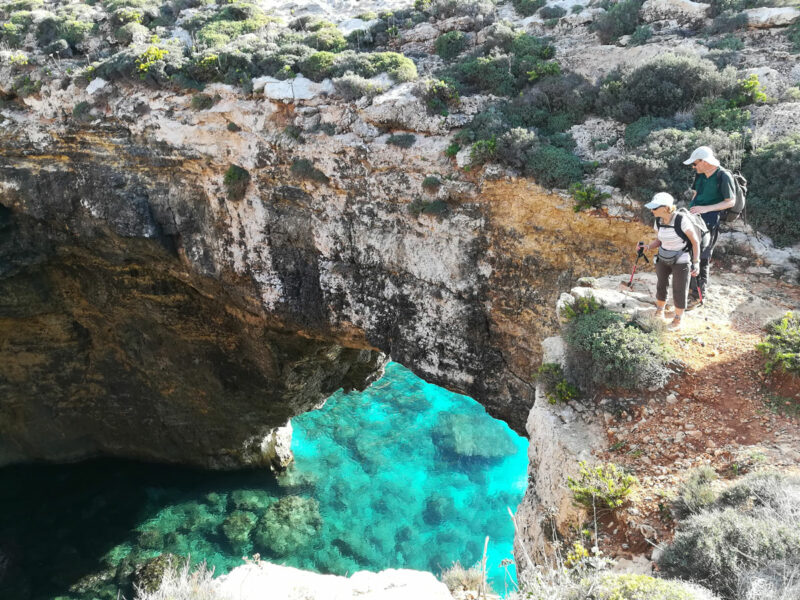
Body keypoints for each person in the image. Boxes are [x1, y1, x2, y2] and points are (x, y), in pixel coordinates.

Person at [638, 192, 700, 331]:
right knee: (661, 285)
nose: (652, 210)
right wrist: (648, 247)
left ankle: (678, 321)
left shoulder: (681, 220)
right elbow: (659, 240)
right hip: (663, 257)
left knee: (679, 289)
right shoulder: (658, 221)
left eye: (654, 208)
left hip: (682, 259)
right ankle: (660, 311)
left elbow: (695, 242)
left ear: (666, 208)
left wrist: (696, 262)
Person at [684, 146, 735, 305]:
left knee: (703, 257)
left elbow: (730, 201)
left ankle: (697, 295)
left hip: (710, 220)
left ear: (705, 162)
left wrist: (706, 208)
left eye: (695, 163)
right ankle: (687, 289)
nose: (693, 167)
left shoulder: (723, 176)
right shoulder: (700, 174)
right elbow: (696, 194)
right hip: (693, 218)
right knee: (689, 252)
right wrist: (690, 209)